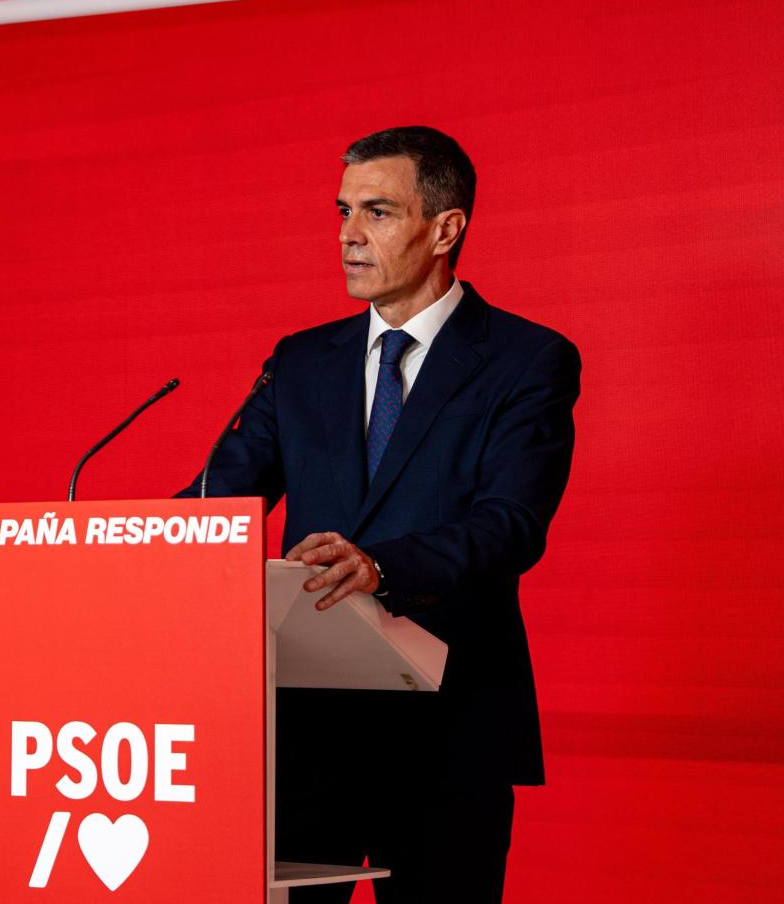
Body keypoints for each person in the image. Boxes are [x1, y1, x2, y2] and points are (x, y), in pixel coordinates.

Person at [189, 126, 581, 901]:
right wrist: (116, 546)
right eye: (342, 212)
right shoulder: (302, 360)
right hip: (307, 735)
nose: (347, 237)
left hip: (449, 728)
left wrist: (383, 566)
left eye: (377, 212)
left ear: (446, 228)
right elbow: (215, 501)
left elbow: (511, 523)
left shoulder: (528, 359)